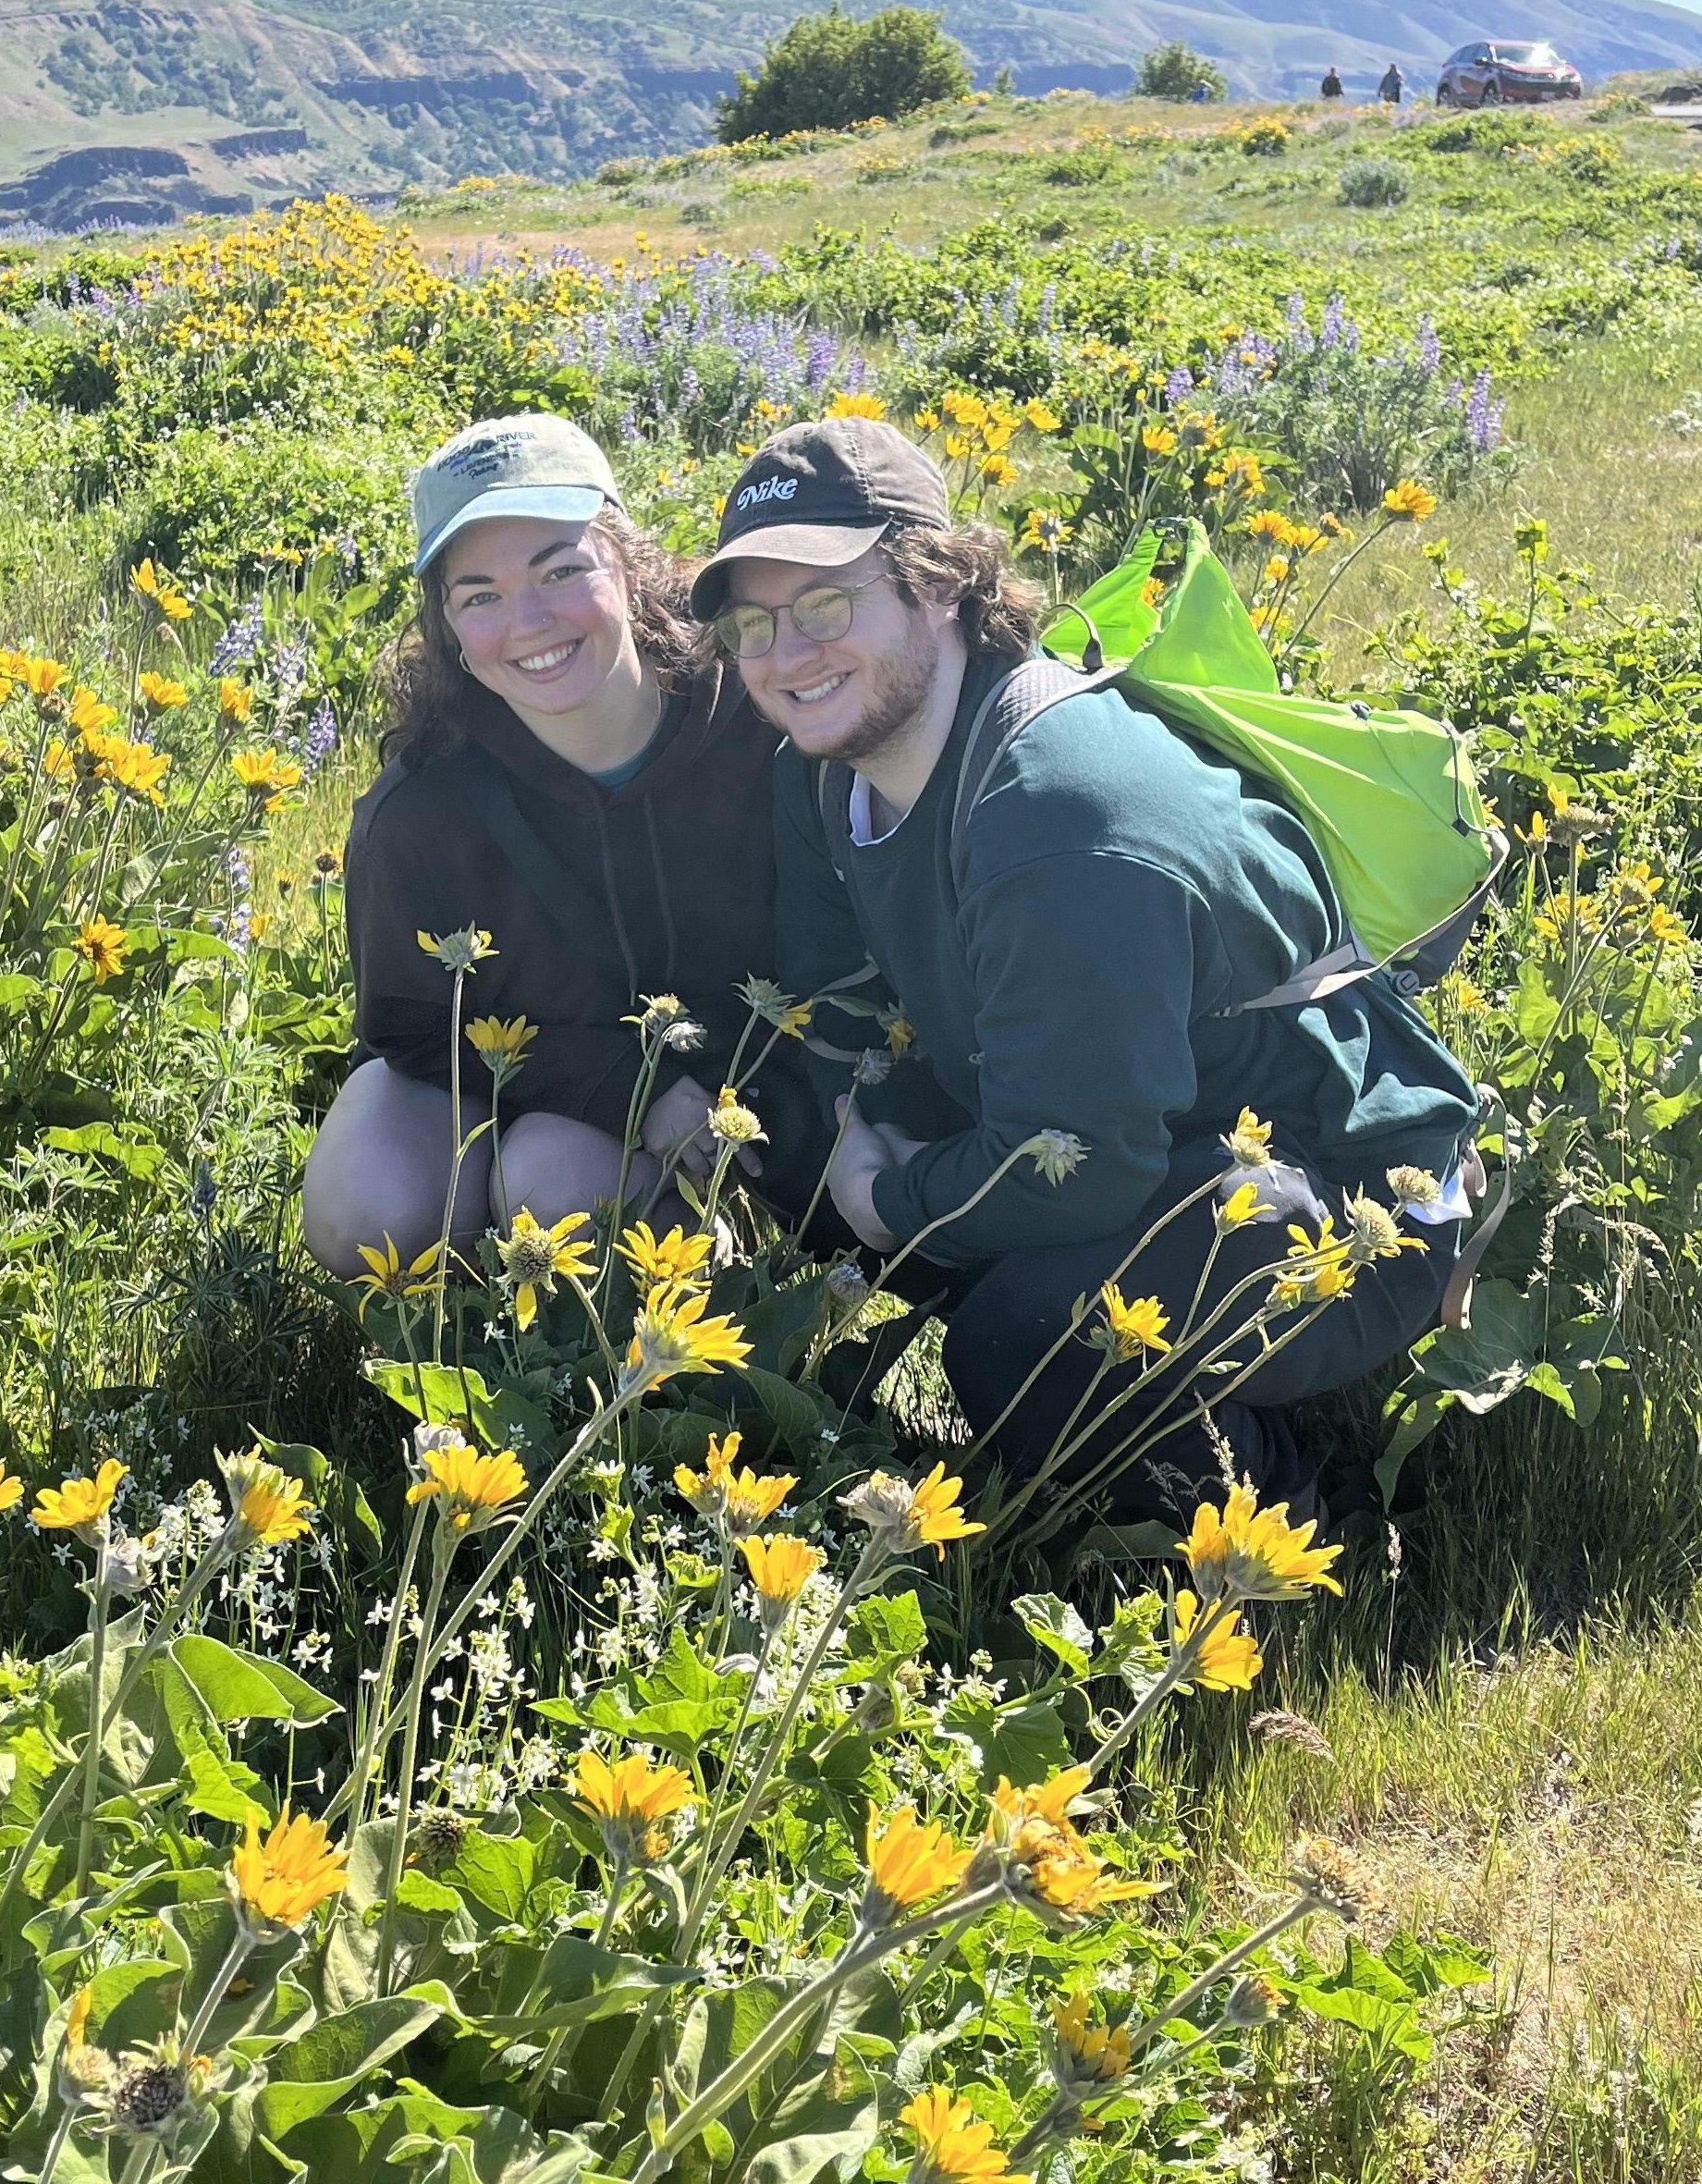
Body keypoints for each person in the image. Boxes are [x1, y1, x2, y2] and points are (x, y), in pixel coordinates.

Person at [690, 418, 1480, 1527]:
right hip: (1134, 1126)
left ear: (937, 583)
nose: (787, 654)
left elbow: (1087, 1162)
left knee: (1024, 1340)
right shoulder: (826, 772)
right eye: (754, 624)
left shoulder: (1061, 813)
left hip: (1346, 1185)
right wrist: (836, 1134)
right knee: (776, 1132)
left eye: (827, 604)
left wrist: (884, 1199)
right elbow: (842, 1015)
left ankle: (1292, 1519)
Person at [302, 413, 797, 1281]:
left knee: (555, 1184)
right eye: (480, 594)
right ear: (448, 625)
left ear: (628, 564)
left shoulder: (759, 722)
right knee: (367, 1213)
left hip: (739, 1093)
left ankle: (714, 1256)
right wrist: (619, 1088)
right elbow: (408, 1024)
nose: (528, 622)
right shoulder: (417, 814)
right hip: (520, 1080)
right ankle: (481, 1337)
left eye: (560, 570)